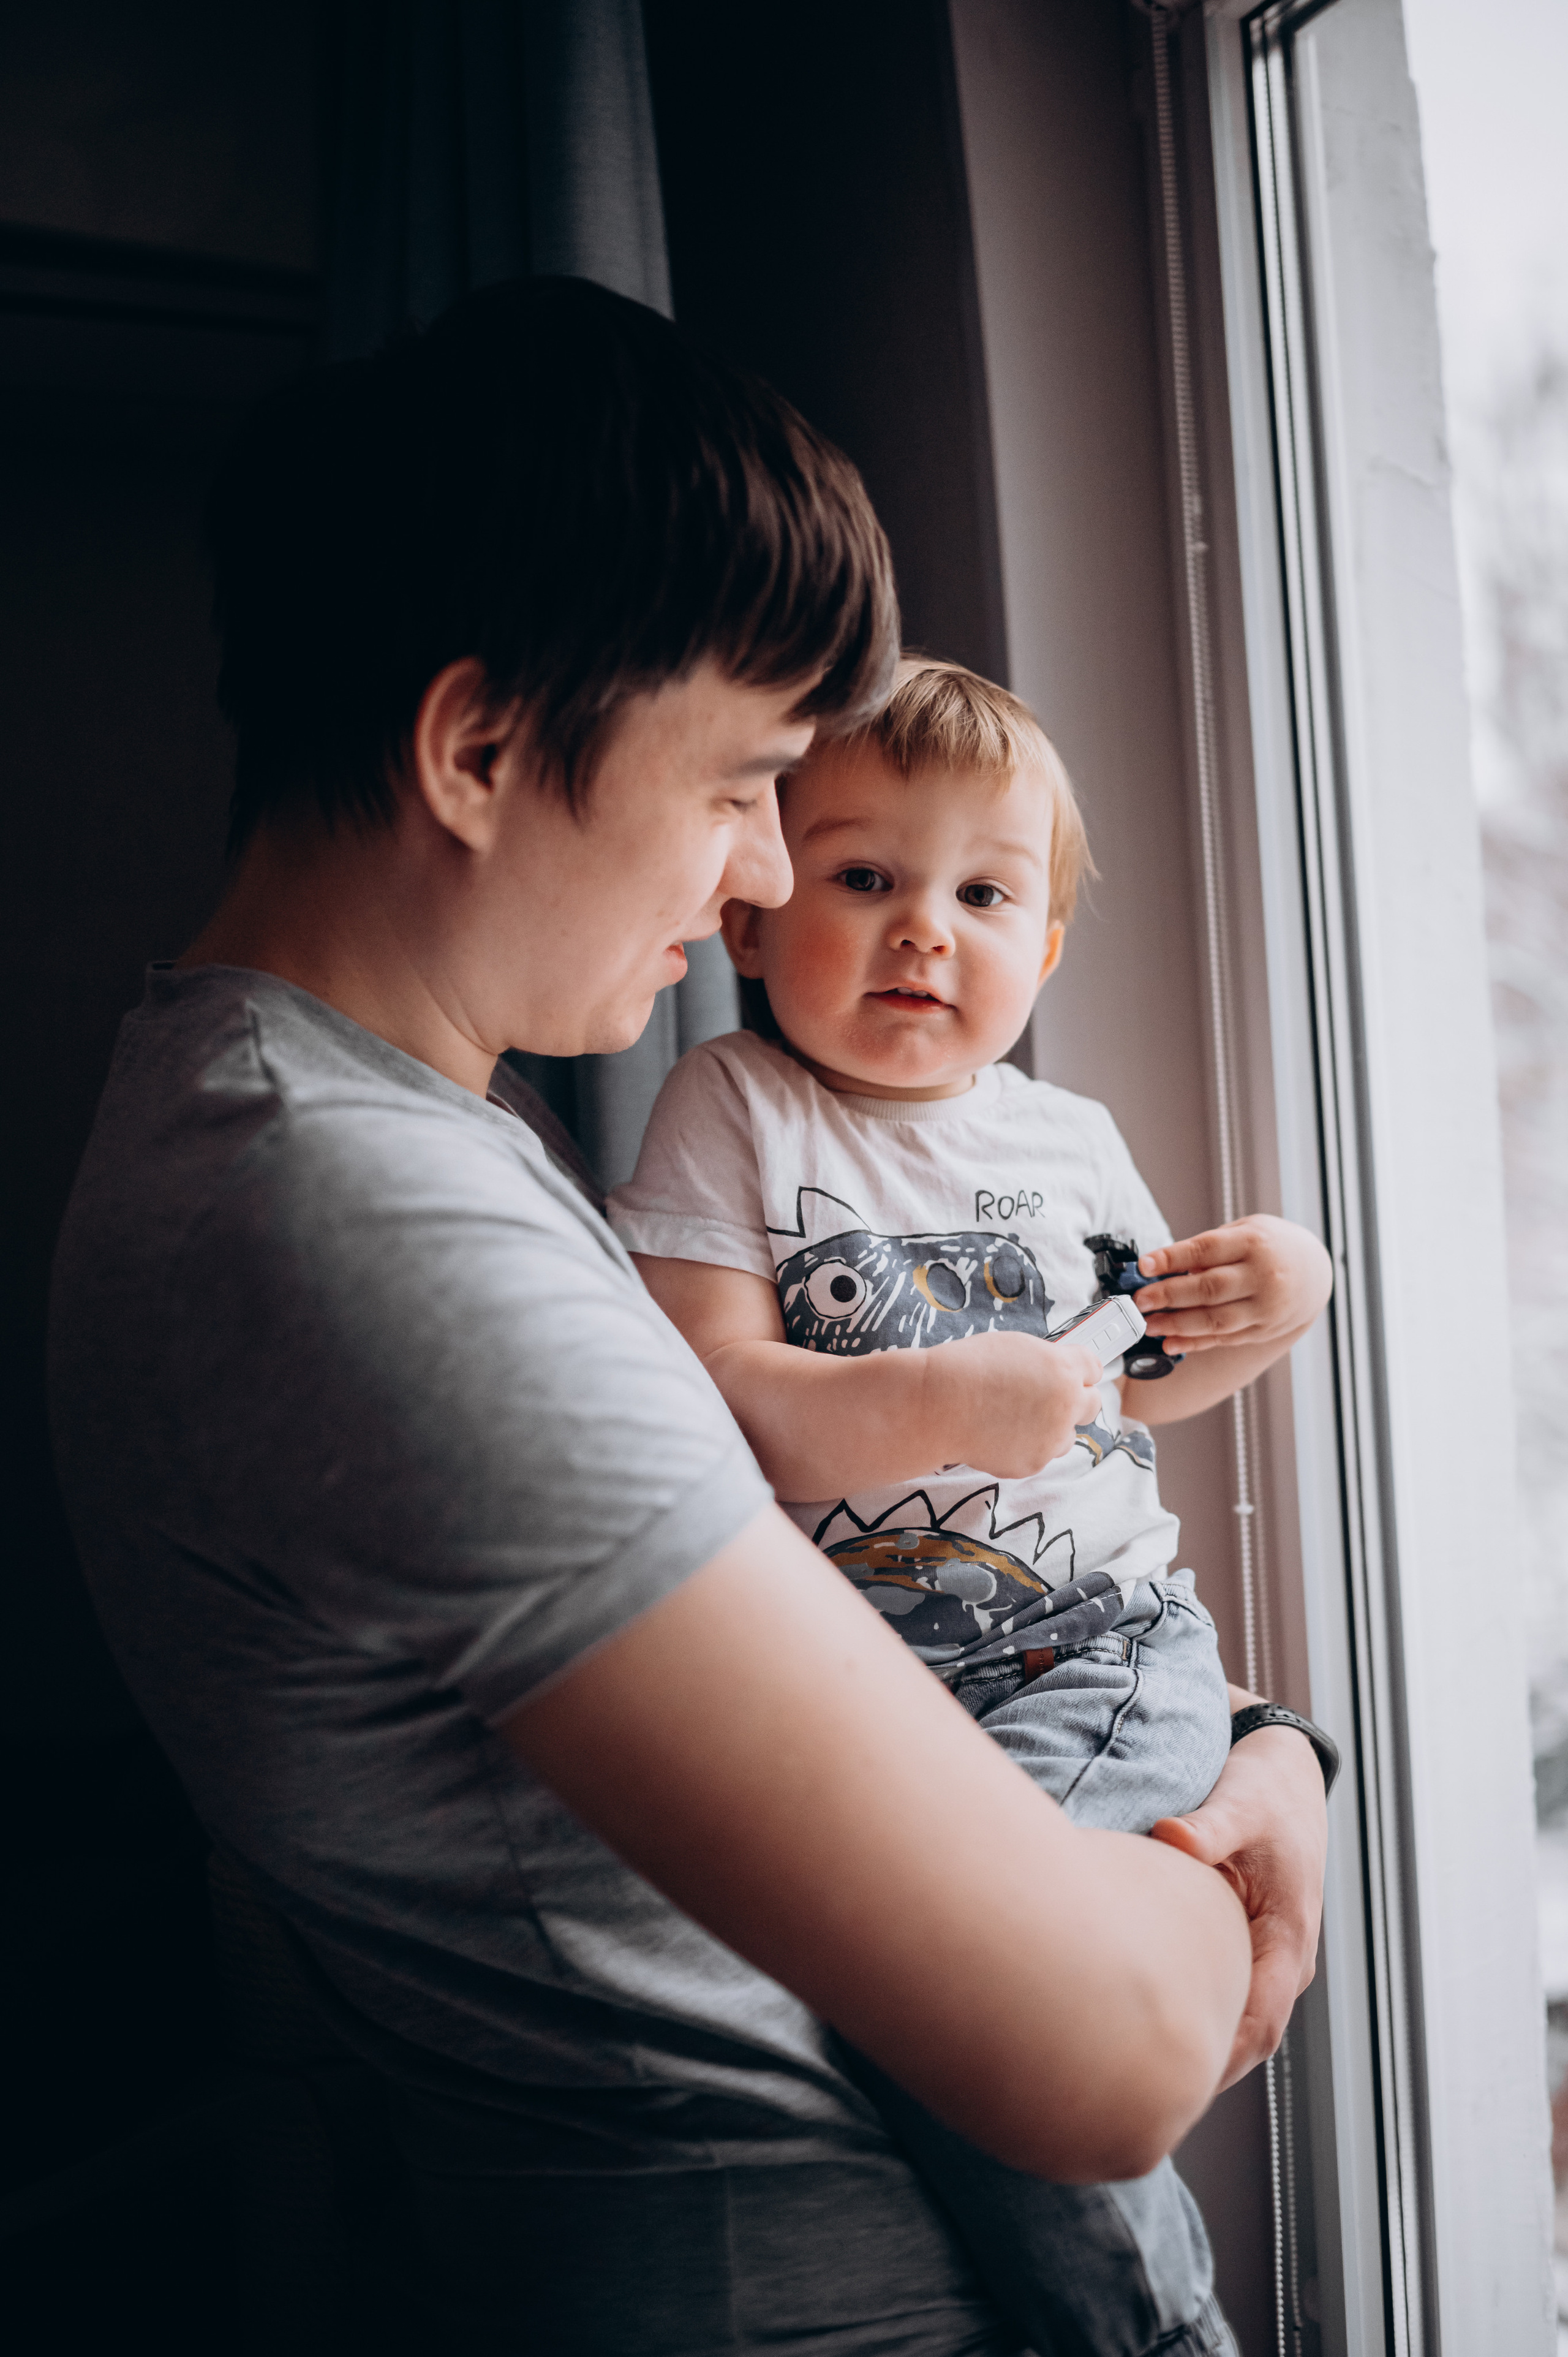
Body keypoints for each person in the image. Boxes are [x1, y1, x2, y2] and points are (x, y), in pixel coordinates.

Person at [48, 278, 1327, 2356]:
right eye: (743, 784)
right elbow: (1101, 2055)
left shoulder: (402, 1134)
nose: (760, 882)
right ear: (477, 749)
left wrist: (1239, 1737)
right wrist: (1253, 1819)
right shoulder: (358, 1223)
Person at [609, 657, 1336, 2353]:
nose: (925, 932)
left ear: (1047, 946)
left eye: (985, 896)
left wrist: (1282, 1302)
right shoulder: (733, 1108)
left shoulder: (1068, 1141)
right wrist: (941, 1400)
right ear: (754, 915)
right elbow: (718, 1399)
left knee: (981, 1975)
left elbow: (1142, 1384)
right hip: (872, 1690)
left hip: (1094, 1649)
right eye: (867, 876)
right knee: (947, 1986)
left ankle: (1147, 2332)